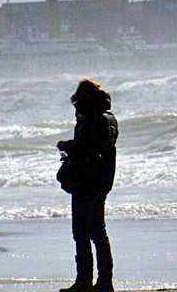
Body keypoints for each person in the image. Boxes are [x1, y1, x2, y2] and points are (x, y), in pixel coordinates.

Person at [56, 79, 119, 292]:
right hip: (102, 180)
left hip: (85, 180)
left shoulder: (89, 118)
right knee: (98, 231)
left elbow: (85, 148)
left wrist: (66, 146)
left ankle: (84, 281)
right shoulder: (109, 118)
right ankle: (104, 281)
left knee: (82, 232)